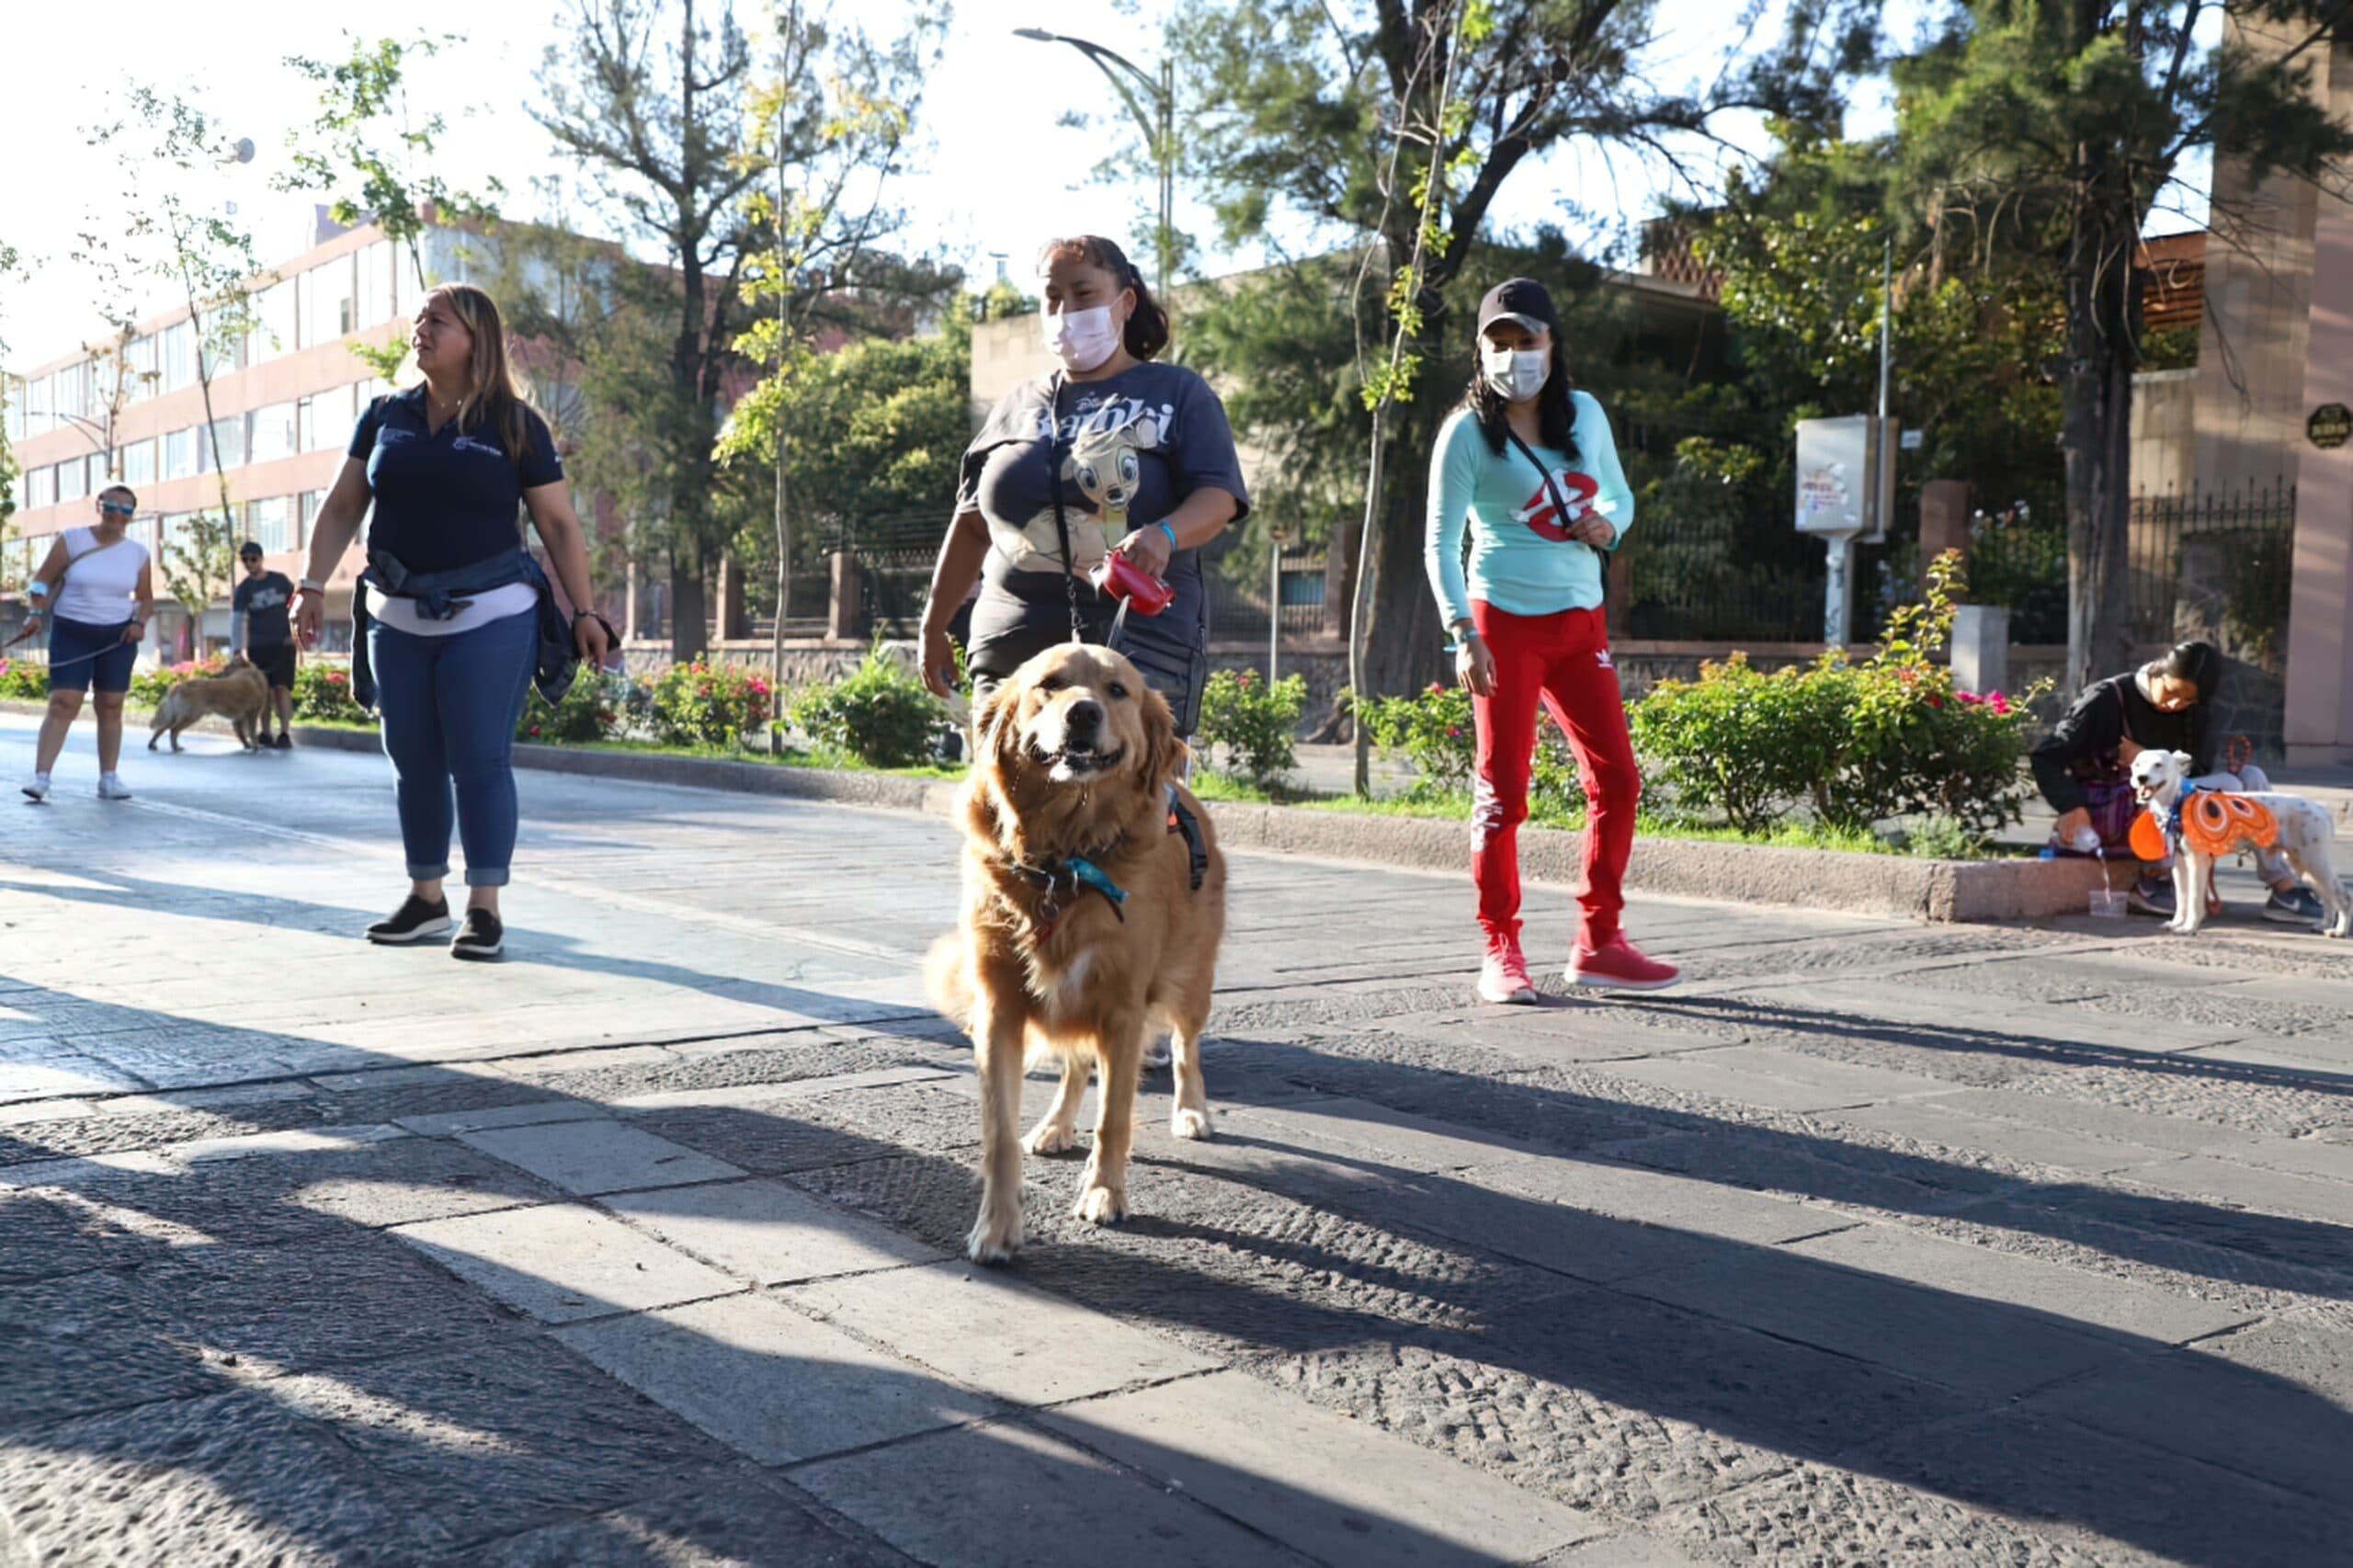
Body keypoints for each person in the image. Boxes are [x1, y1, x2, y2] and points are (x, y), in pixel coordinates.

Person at [291, 283, 610, 960]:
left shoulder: (516, 425)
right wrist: (312, 583)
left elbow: (558, 523)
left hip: (492, 612)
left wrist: (584, 611)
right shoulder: (385, 415)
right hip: (395, 615)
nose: (422, 329)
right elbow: (343, 505)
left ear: (476, 338)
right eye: (419, 319)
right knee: (412, 761)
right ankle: (426, 898)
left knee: (479, 759)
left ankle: (484, 907)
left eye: (438, 320)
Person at [1425, 278, 1677, 1002]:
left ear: (1552, 344)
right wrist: (1463, 633)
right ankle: (1500, 948)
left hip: (1580, 621)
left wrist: (1609, 525)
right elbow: (1441, 543)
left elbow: (1619, 495)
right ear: (1480, 351)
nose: (1513, 356)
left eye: (1526, 340)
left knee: (1618, 780)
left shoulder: (1585, 414)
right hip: (1501, 623)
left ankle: (1600, 941)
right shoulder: (1465, 433)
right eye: (1498, 343)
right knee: (1503, 791)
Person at [919, 234, 1247, 737]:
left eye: (1084, 294)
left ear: (1126, 302)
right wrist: (933, 626)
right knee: (1006, 790)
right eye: (1052, 297)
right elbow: (970, 527)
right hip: (1015, 652)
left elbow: (1219, 496)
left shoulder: (1178, 393)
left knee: (1127, 787)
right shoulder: (1015, 406)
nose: (1066, 310)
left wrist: (1165, 534)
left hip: (1136, 650)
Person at [2031, 639, 2324, 924]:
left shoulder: (2194, 709)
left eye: (2187, 700)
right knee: (2220, 789)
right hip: (2117, 800)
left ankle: (2283, 886)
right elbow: (2046, 756)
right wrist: (2071, 806)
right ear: (2160, 673)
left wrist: (2144, 755)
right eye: (2171, 692)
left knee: (2251, 779)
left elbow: (2198, 767)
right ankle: (2155, 881)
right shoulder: (2106, 698)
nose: (2175, 704)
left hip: (2176, 797)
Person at [19, 485, 153, 803]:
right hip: (73, 630)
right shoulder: (73, 540)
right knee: (64, 701)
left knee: (111, 704)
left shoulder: (137, 553)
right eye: (112, 506)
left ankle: (109, 778)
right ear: (99, 506)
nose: (118, 514)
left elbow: (146, 599)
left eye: (126, 510)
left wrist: (139, 623)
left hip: (117, 636)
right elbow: (42, 580)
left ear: (132, 516)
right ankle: (41, 777)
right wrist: (36, 613)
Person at [232, 540, 297, 748]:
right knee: (263, 691)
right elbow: (236, 619)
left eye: (253, 559)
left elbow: (296, 606)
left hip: (283, 644)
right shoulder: (243, 589)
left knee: (282, 688)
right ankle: (266, 732)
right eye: (245, 560)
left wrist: (296, 634)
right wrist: (237, 649)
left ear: (261, 559)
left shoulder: (280, 581)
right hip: (258, 646)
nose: (249, 563)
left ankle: (285, 732)